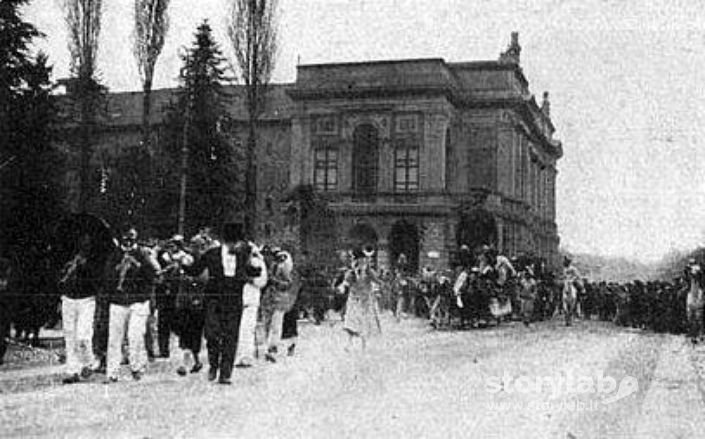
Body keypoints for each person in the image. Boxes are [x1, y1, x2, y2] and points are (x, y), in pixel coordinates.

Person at [183, 223, 257, 384]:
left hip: (234, 300)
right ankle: (213, 365)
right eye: (234, 242)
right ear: (227, 241)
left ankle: (226, 373)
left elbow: (253, 272)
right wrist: (184, 263)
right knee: (211, 334)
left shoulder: (244, 254)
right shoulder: (212, 254)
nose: (236, 245)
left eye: (238, 242)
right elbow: (195, 270)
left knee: (231, 336)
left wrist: (255, 262)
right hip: (214, 300)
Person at [104, 228, 158, 383]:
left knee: (135, 335)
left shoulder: (143, 253)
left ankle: (136, 366)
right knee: (114, 338)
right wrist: (118, 268)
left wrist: (139, 265)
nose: (128, 243)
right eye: (125, 239)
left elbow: (154, 274)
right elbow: (107, 277)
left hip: (139, 301)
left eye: (131, 239)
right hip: (118, 301)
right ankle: (112, 372)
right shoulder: (115, 255)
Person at [57, 234, 102, 384]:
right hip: (68, 298)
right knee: (69, 335)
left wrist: (84, 267)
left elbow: (97, 281)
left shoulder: (94, 261)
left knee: (83, 335)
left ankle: (90, 362)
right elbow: (60, 278)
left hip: (86, 299)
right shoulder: (67, 259)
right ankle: (72, 370)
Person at [262, 248, 300, 363]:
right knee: (268, 324)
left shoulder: (286, 268)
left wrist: (274, 281)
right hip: (270, 299)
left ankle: (272, 348)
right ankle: (269, 346)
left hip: (280, 300)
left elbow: (288, 284)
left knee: (276, 325)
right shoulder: (272, 267)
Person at [235, 243, 268, 368]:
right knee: (238, 330)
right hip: (238, 301)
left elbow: (262, 281)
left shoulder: (256, 263)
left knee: (247, 330)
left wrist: (248, 279)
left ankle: (246, 357)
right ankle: (240, 355)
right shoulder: (237, 264)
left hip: (250, 300)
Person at [342, 246, 382, 351]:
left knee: (364, 321)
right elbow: (347, 282)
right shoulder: (351, 271)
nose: (361, 262)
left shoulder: (368, 270)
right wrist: (343, 286)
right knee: (351, 321)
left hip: (365, 299)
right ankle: (349, 343)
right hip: (354, 298)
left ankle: (364, 345)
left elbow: (377, 280)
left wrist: (378, 285)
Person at [684, 258, 704, 345]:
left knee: (699, 317)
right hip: (692, 289)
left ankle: (700, 334)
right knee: (692, 317)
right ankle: (693, 335)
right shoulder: (689, 271)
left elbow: (701, 278)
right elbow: (687, 276)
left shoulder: (698, 270)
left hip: (698, 288)